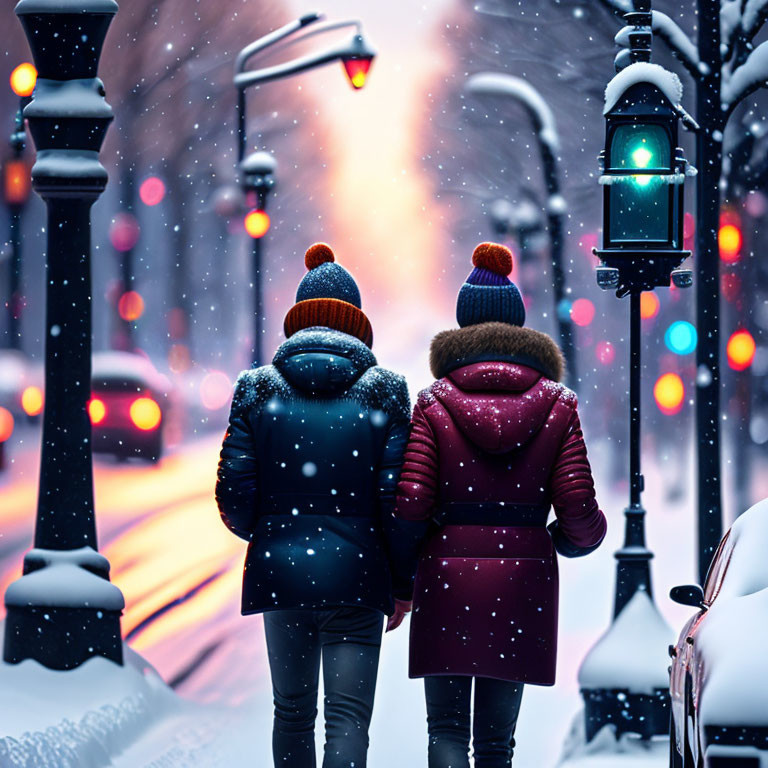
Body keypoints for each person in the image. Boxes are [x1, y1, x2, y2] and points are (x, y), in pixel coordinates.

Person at [395, 242, 607, 768]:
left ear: (461, 329)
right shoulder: (558, 404)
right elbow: (580, 511)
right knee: (496, 741)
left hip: (446, 576)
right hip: (521, 583)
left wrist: (406, 571)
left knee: (445, 728)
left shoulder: (433, 403)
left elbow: (412, 501)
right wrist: (549, 540)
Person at [216, 243, 422, 768]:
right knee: (348, 720)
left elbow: (234, 498)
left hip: (280, 576)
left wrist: (275, 536)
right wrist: (399, 584)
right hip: (357, 578)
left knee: (291, 714)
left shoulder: (257, 389)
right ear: (358, 324)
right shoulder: (386, 391)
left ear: (297, 320)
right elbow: (398, 502)